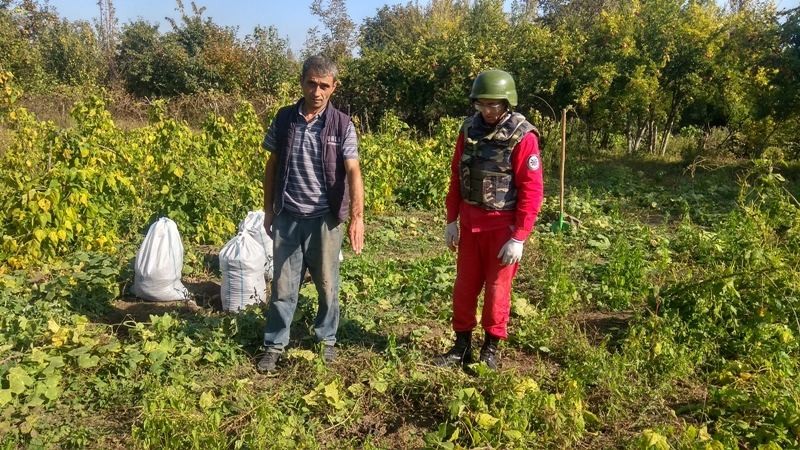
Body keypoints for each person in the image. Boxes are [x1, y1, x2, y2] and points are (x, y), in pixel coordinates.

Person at [257, 55, 364, 373]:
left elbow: (353, 170)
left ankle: (326, 340)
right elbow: (272, 164)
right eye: (311, 84)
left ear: (334, 87)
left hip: (324, 220)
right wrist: (268, 209)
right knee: (283, 286)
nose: (317, 92)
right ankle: (274, 344)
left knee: (328, 284)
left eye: (324, 86)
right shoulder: (285, 118)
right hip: (289, 215)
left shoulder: (342, 124)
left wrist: (357, 216)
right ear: (302, 82)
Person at [436, 69, 544, 370]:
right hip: (470, 225)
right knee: (464, 287)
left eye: (493, 105)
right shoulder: (468, 129)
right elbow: (457, 175)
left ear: (507, 102)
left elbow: (532, 189)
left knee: (498, 290)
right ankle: (461, 347)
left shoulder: (522, 136)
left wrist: (519, 236)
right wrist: (451, 219)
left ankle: (491, 349)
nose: (487, 111)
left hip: (501, 229)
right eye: (481, 104)